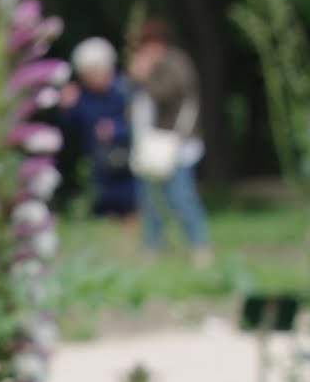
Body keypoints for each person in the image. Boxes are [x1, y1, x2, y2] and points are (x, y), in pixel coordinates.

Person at [128, 19, 212, 263]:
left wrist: (143, 76)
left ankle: (200, 246)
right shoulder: (156, 66)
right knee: (151, 197)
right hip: (155, 142)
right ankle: (152, 247)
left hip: (177, 143)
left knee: (181, 196)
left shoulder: (174, 63)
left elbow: (166, 94)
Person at [59, 37, 136, 218]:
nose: (93, 77)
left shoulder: (124, 91)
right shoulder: (81, 98)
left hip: (127, 169)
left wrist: (115, 128)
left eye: (96, 71)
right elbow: (70, 132)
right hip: (98, 172)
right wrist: (65, 109)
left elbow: (138, 124)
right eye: (87, 73)